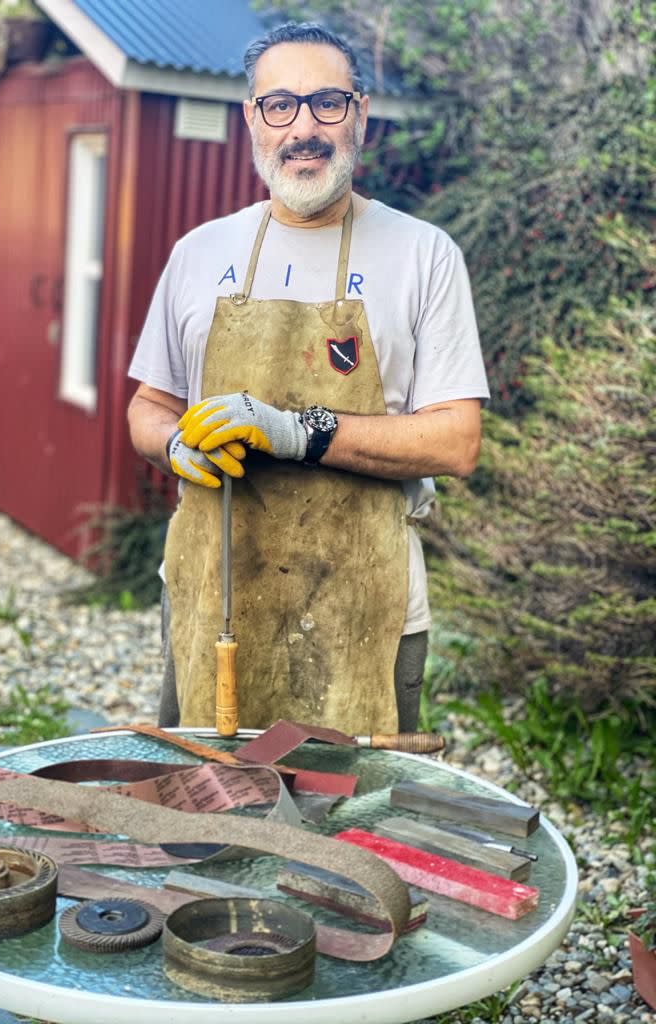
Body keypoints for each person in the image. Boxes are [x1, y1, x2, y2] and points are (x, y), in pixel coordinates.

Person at [127, 22, 489, 735]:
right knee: (209, 816)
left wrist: (296, 432)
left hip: (367, 601)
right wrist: (175, 447)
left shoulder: (424, 255)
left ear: (359, 112)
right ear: (251, 120)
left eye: (326, 103)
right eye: (280, 105)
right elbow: (149, 406)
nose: (304, 128)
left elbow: (457, 441)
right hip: (213, 594)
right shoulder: (200, 252)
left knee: (354, 828)